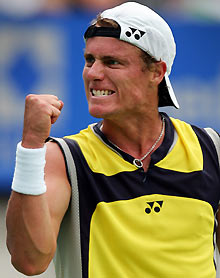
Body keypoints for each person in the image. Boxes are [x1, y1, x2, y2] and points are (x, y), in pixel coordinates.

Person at [6, 1, 220, 278]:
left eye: (112, 62)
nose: (93, 73)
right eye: (89, 60)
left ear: (157, 72)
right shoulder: (64, 159)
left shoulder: (211, 149)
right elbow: (28, 261)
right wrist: (31, 147)